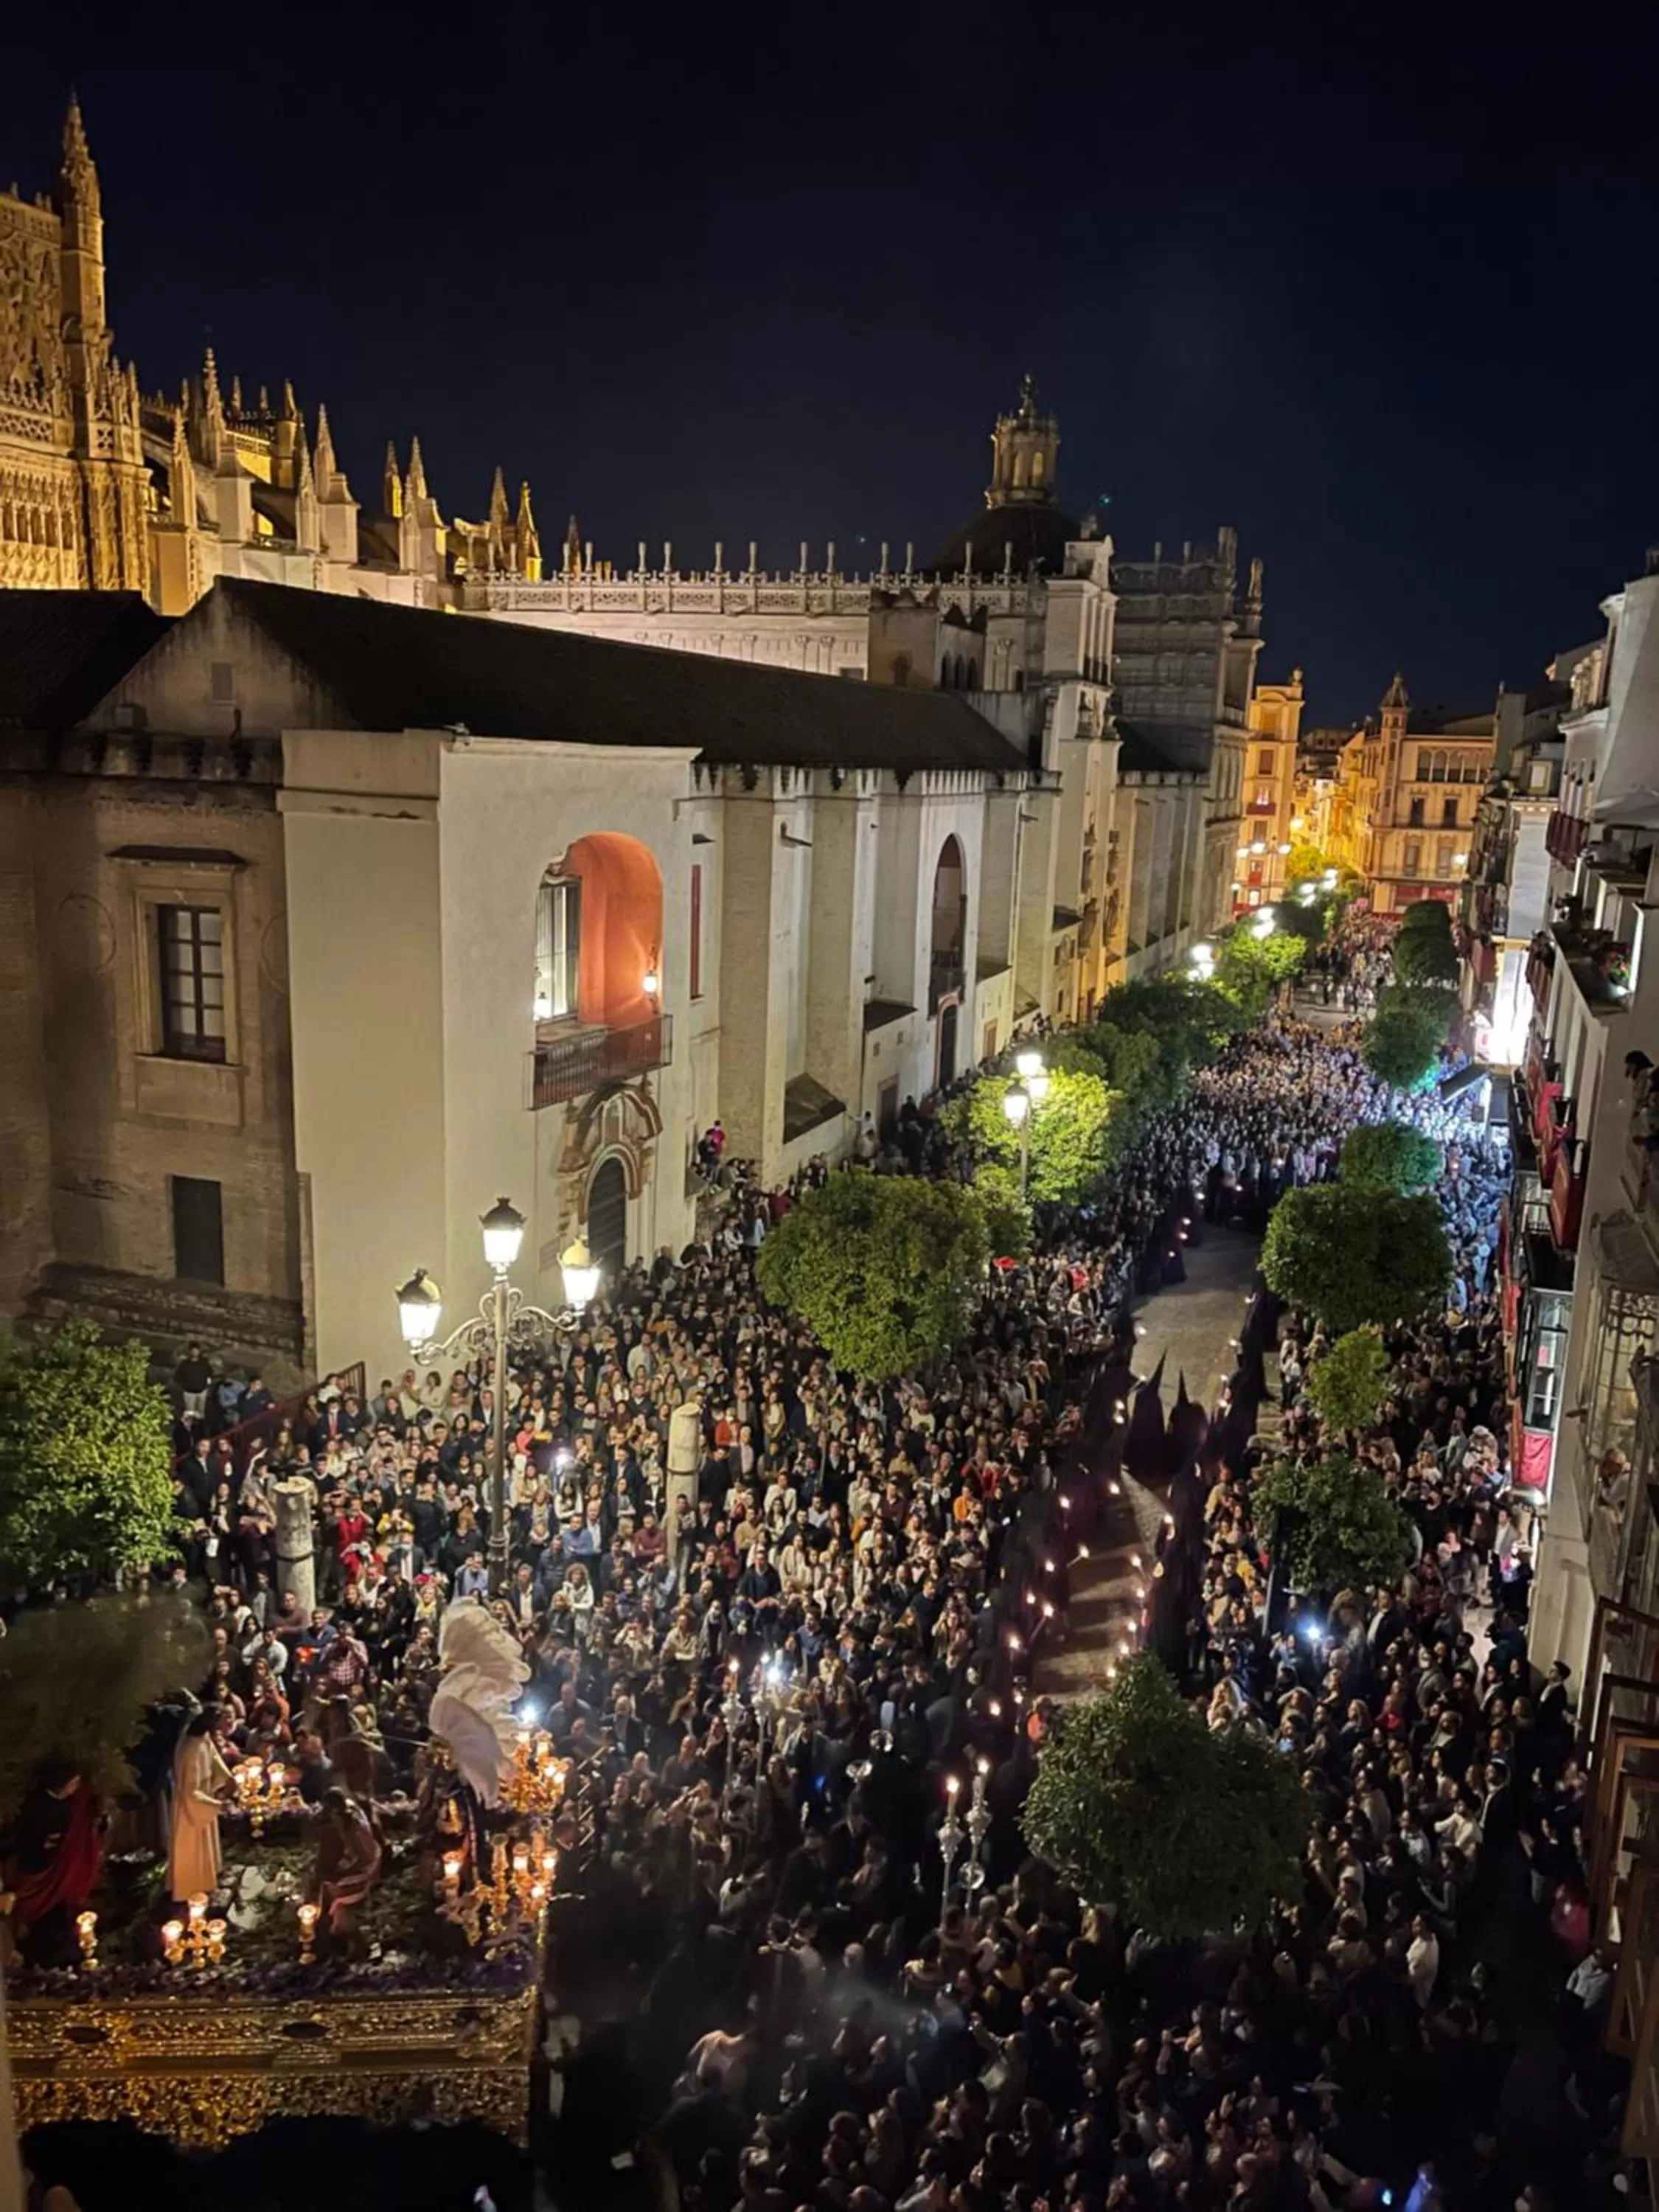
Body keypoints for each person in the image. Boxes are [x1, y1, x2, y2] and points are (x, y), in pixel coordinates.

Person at [167, 1708, 233, 1902]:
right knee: (193, 1850)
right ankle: (190, 1890)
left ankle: (207, 1881)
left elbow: (213, 1756)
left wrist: (228, 1778)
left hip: (205, 1800)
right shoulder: (191, 1749)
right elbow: (190, 1793)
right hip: (193, 1809)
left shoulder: (203, 1737)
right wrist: (217, 1805)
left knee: (207, 1847)